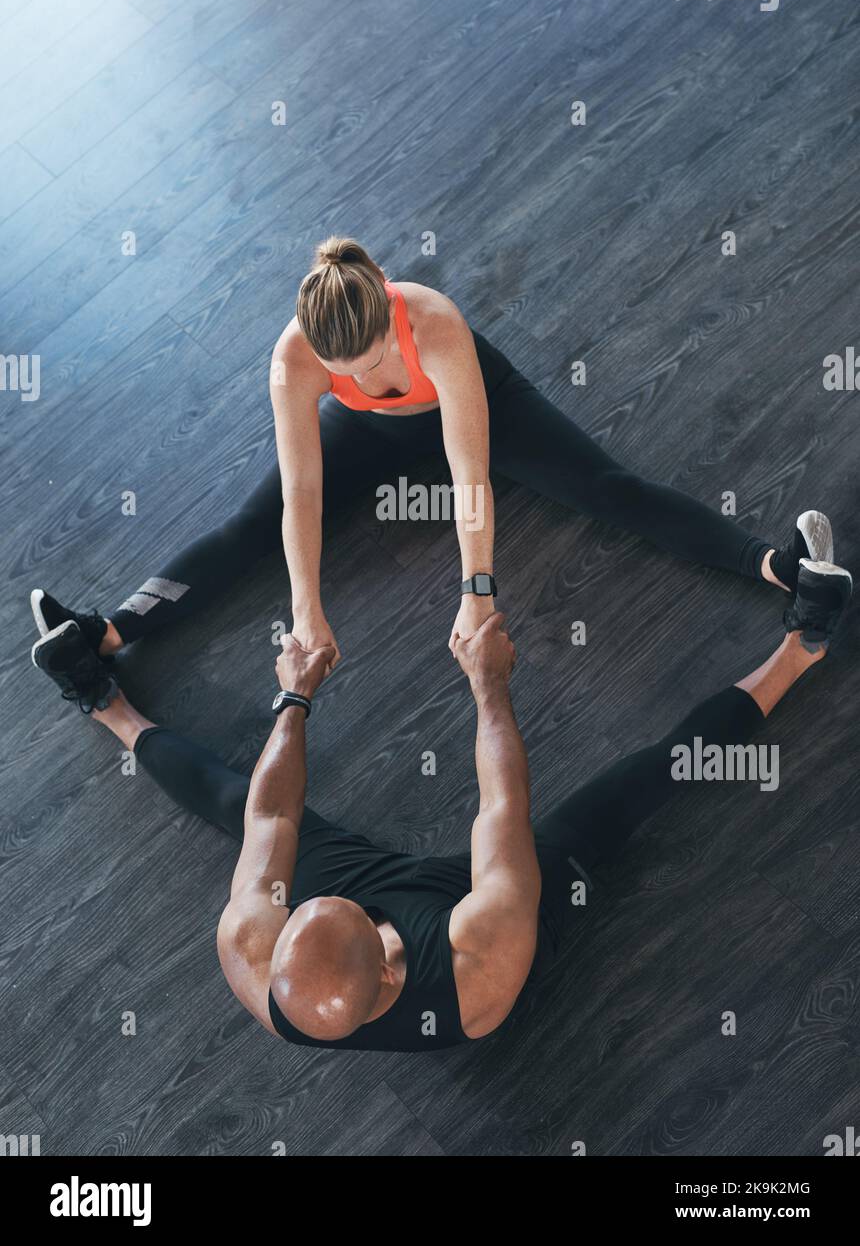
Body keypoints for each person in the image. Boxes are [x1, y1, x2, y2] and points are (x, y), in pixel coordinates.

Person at [30, 560, 852, 1051]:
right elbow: (502, 804)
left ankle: (103, 701)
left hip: (358, 932)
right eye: (349, 907)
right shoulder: (480, 964)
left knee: (235, 802)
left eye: (311, 902)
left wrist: (295, 698)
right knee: (636, 788)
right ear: (389, 961)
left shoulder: (253, 943)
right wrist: (488, 681)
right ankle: (802, 647)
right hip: (471, 920)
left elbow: (273, 822)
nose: (336, 892)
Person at [29, 237, 833, 671]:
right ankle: (106, 633)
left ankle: (781, 568)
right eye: (351, 371)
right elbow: (301, 496)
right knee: (253, 519)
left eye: (380, 356)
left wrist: (476, 590)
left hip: (474, 407)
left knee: (604, 486)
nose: (373, 377)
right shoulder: (293, 362)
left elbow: (469, 474)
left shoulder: (436, 323)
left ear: (385, 292)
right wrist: (306, 607)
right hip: (368, 443)